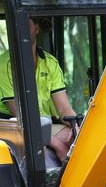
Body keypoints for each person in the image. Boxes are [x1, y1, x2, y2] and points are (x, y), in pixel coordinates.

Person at [0, 17, 77, 162]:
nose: (20, 30)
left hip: (43, 124)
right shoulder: (4, 64)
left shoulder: (50, 63)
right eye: (16, 26)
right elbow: (20, 115)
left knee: (75, 140)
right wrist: (56, 143)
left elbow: (64, 108)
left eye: (26, 25)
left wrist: (77, 127)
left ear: (36, 28)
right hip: (12, 127)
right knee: (43, 153)